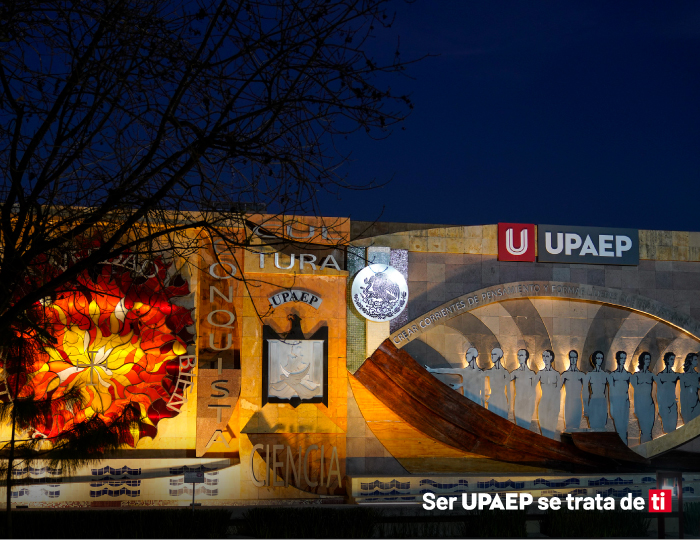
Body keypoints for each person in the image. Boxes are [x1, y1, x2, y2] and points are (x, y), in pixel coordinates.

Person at [510, 349, 538, 430]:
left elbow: (533, 391)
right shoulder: (515, 373)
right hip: (518, 401)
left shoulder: (531, 374)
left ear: (526, 357)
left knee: (526, 426)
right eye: (518, 355)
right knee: (518, 425)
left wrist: (532, 405)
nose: (519, 357)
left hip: (527, 402)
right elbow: (504, 380)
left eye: (521, 355)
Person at [608, 351, 632, 444]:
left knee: (624, 427)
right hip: (617, 402)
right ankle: (621, 445)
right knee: (618, 427)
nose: (623, 360)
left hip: (625, 402)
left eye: (624, 358)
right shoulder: (613, 375)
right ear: (617, 359)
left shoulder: (628, 374)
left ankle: (625, 445)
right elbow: (611, 392)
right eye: (621, 358)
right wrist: (611, 407)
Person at [631, 351, 655, 443]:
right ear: (642, 360)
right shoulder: (636, 376)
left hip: (650, 405)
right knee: (644, 430)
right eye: (646, 359)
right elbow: (636, 393)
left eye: (649, 359)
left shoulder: (651, 375)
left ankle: (650, 448)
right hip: (641, 405)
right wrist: (636, 408)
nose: (648, 361)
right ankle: (643, 448)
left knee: (649, 431)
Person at [537, 350, 561, 439]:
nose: (545, 358)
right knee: (544, 430)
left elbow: (558, 392)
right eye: (543, 356)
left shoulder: (556, 374)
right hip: (543, 402)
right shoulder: (540, 373)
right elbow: (531, 386)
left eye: (547, 356)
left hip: (553, 403)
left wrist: (557, 407)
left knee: (551, 429)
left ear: (551, 358)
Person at [583, 350, 609, 430]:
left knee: (602, 426)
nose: (599, 360)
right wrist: (586, 407)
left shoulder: (605, 374)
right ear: (594, 359)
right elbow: (585, 392)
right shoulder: (589, 374)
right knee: (593, 426)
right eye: (598, 358)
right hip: (593, 402)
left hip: (602, 402)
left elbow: (612, 390)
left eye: (601, 358)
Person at [655, 352, 679, 433]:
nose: (673, 361)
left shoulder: (675, 375)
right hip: (664, 405)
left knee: (673, 428)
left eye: (674, 359)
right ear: (667, 360)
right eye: (671, 359)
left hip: (673, 404)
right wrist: (660, 407)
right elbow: (658, 393)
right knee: (666, 428)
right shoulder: (660, 375)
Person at [561, 350, 585, 432]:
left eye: (575, 357)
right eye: (571, 357)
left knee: (576, 427)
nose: (573, 360)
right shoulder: (565, 374)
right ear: (569, 358)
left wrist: (586, 406)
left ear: (577, 358)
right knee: (568, 427)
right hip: (568, 402)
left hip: (578, 402)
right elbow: (557, 389)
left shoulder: (581, 375)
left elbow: (585, 391)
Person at [486, 347, 510, 419]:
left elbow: (508, 390)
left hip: (501, 399)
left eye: (494, 354)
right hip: (493, 398)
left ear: (499, 356)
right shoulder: (489, 371)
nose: (492, 356)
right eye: (491, 354)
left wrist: (509, 404)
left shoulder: (505, 372)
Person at [680, 353, 700, 424]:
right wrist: (682, 409)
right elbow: (682, 393)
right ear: (690, 361)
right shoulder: (683, 376)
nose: (697, 362)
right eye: (695, 360)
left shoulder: (698, 375)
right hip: (687, 406)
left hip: (697, 405)